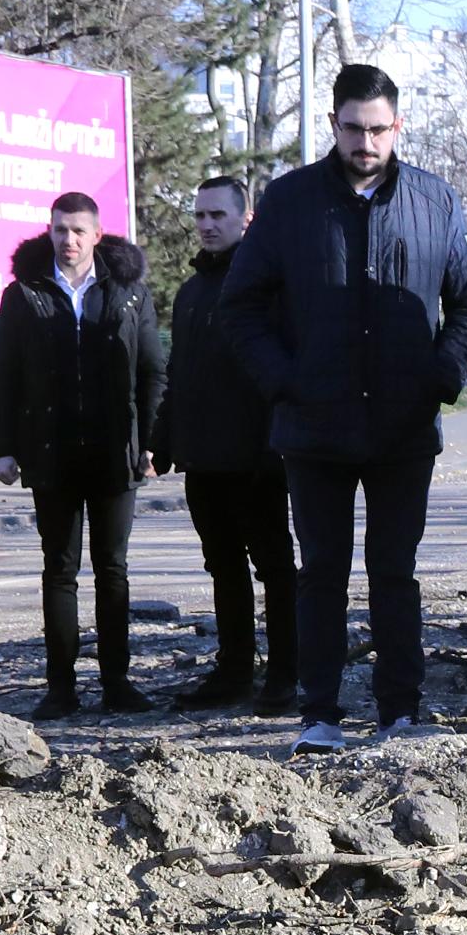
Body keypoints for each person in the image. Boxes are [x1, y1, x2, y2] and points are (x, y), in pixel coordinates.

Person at [218, 61, 467, 754]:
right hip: (314, 427)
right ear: (333, 124)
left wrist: (443, 374)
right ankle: (321, 715)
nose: (365, 142)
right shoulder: (290, 204)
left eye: (378, 129)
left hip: (404, 427)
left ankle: (400, 710)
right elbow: (241, 305)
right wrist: (284, 379)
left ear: (398, 127)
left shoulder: (435, 201)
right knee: (322, 574)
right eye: (352, 128)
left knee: (394, 572)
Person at [0, 193, 164, 718]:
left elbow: (152, 371)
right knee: (59, 570)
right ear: (50, 231)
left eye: (79, 231)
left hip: (114, 452)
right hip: (51, 451)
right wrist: (3, 448)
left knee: (113, 568)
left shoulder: (130, 293)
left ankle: (117, 683)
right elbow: (5, 375)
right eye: (60, 229)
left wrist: (150, 441)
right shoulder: (26, 293)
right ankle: (60, 688)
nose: (68, 240)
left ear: (98, 233)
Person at [152, 174, 295, 709]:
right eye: (201, 215)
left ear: (246, 219)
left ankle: (285, 672)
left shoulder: (270, 287)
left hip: (259, 458)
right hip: (203, 459)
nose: (208, 225)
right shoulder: (192, 292)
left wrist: (273, 445)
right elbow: (179, 373)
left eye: (219, 215)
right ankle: (234, 670)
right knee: (223, 566)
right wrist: (162, 440)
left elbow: (280, 371)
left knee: (275, 567)